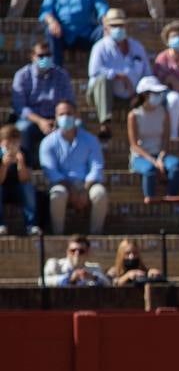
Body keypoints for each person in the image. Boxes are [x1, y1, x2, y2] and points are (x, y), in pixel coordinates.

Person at [39, 99, 107, 234]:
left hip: (87, 185)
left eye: (69, 113)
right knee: (57, 194)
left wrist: (84, 190)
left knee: (100, 193)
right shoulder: (48, 142)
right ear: (56, 117)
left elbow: (97, 167)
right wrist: (72, 190)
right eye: (62, 114)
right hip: (62, 185)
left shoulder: (91, 139)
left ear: (76, 116)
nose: (66, 117)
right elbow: (51, 172)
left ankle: (95, 236)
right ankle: (57, 235)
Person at [85, 7, 148, 139]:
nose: (118, 29)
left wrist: (139, 94)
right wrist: (120, 76)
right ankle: (105, 123)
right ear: (106, 28)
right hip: (104, 96)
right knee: (103, 80)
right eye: (114, 25)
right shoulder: (100, 47)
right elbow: (94, 71)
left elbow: (147, 73)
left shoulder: (137, 47)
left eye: (121, 25)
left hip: (131, 97)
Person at [11, 40, 72, 162]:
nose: (45, 58)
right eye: (41, 56)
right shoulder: (22, 75)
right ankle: (26, 167)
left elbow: (69, 102)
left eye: (48, 55)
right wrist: (40, 121)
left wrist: (58, 120)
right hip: (31, 120)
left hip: (56, 118)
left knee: (75, 126)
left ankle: (68, 168)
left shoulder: (61, 75)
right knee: (22, 128)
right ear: (32, 56)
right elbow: (20, 107)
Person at [126, 76, 179, 199]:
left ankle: (171, 197)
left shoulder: (164, 113)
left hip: (160, 154)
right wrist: (153, 161)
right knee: (149, 170)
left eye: (159, 93)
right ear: (144, 95)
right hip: (141, 157)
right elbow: (134, 145)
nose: (158, 96)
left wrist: (161, 157)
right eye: (154, 93)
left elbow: (165, 140)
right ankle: (150, 199)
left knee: (175, 165)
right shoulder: (134, 115)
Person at [0, 123, 39, 235]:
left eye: (15, 142)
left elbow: (25, 180)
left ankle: (31, 225)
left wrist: (21, 164)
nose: (11, 147)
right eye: (8, 143)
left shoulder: (24, 153)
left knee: (28, 188)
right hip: (2, 189)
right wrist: (4, 165)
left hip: (18, 189)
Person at [43, 234, 110, 286]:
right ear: (67, 252)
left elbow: (107, 283)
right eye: (73, 250)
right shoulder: (55, 265)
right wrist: (68, 279)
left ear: (87, 253)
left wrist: (93, 277)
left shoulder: (94, 268)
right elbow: (42, 281)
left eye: (81, 251)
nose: (76, 254)